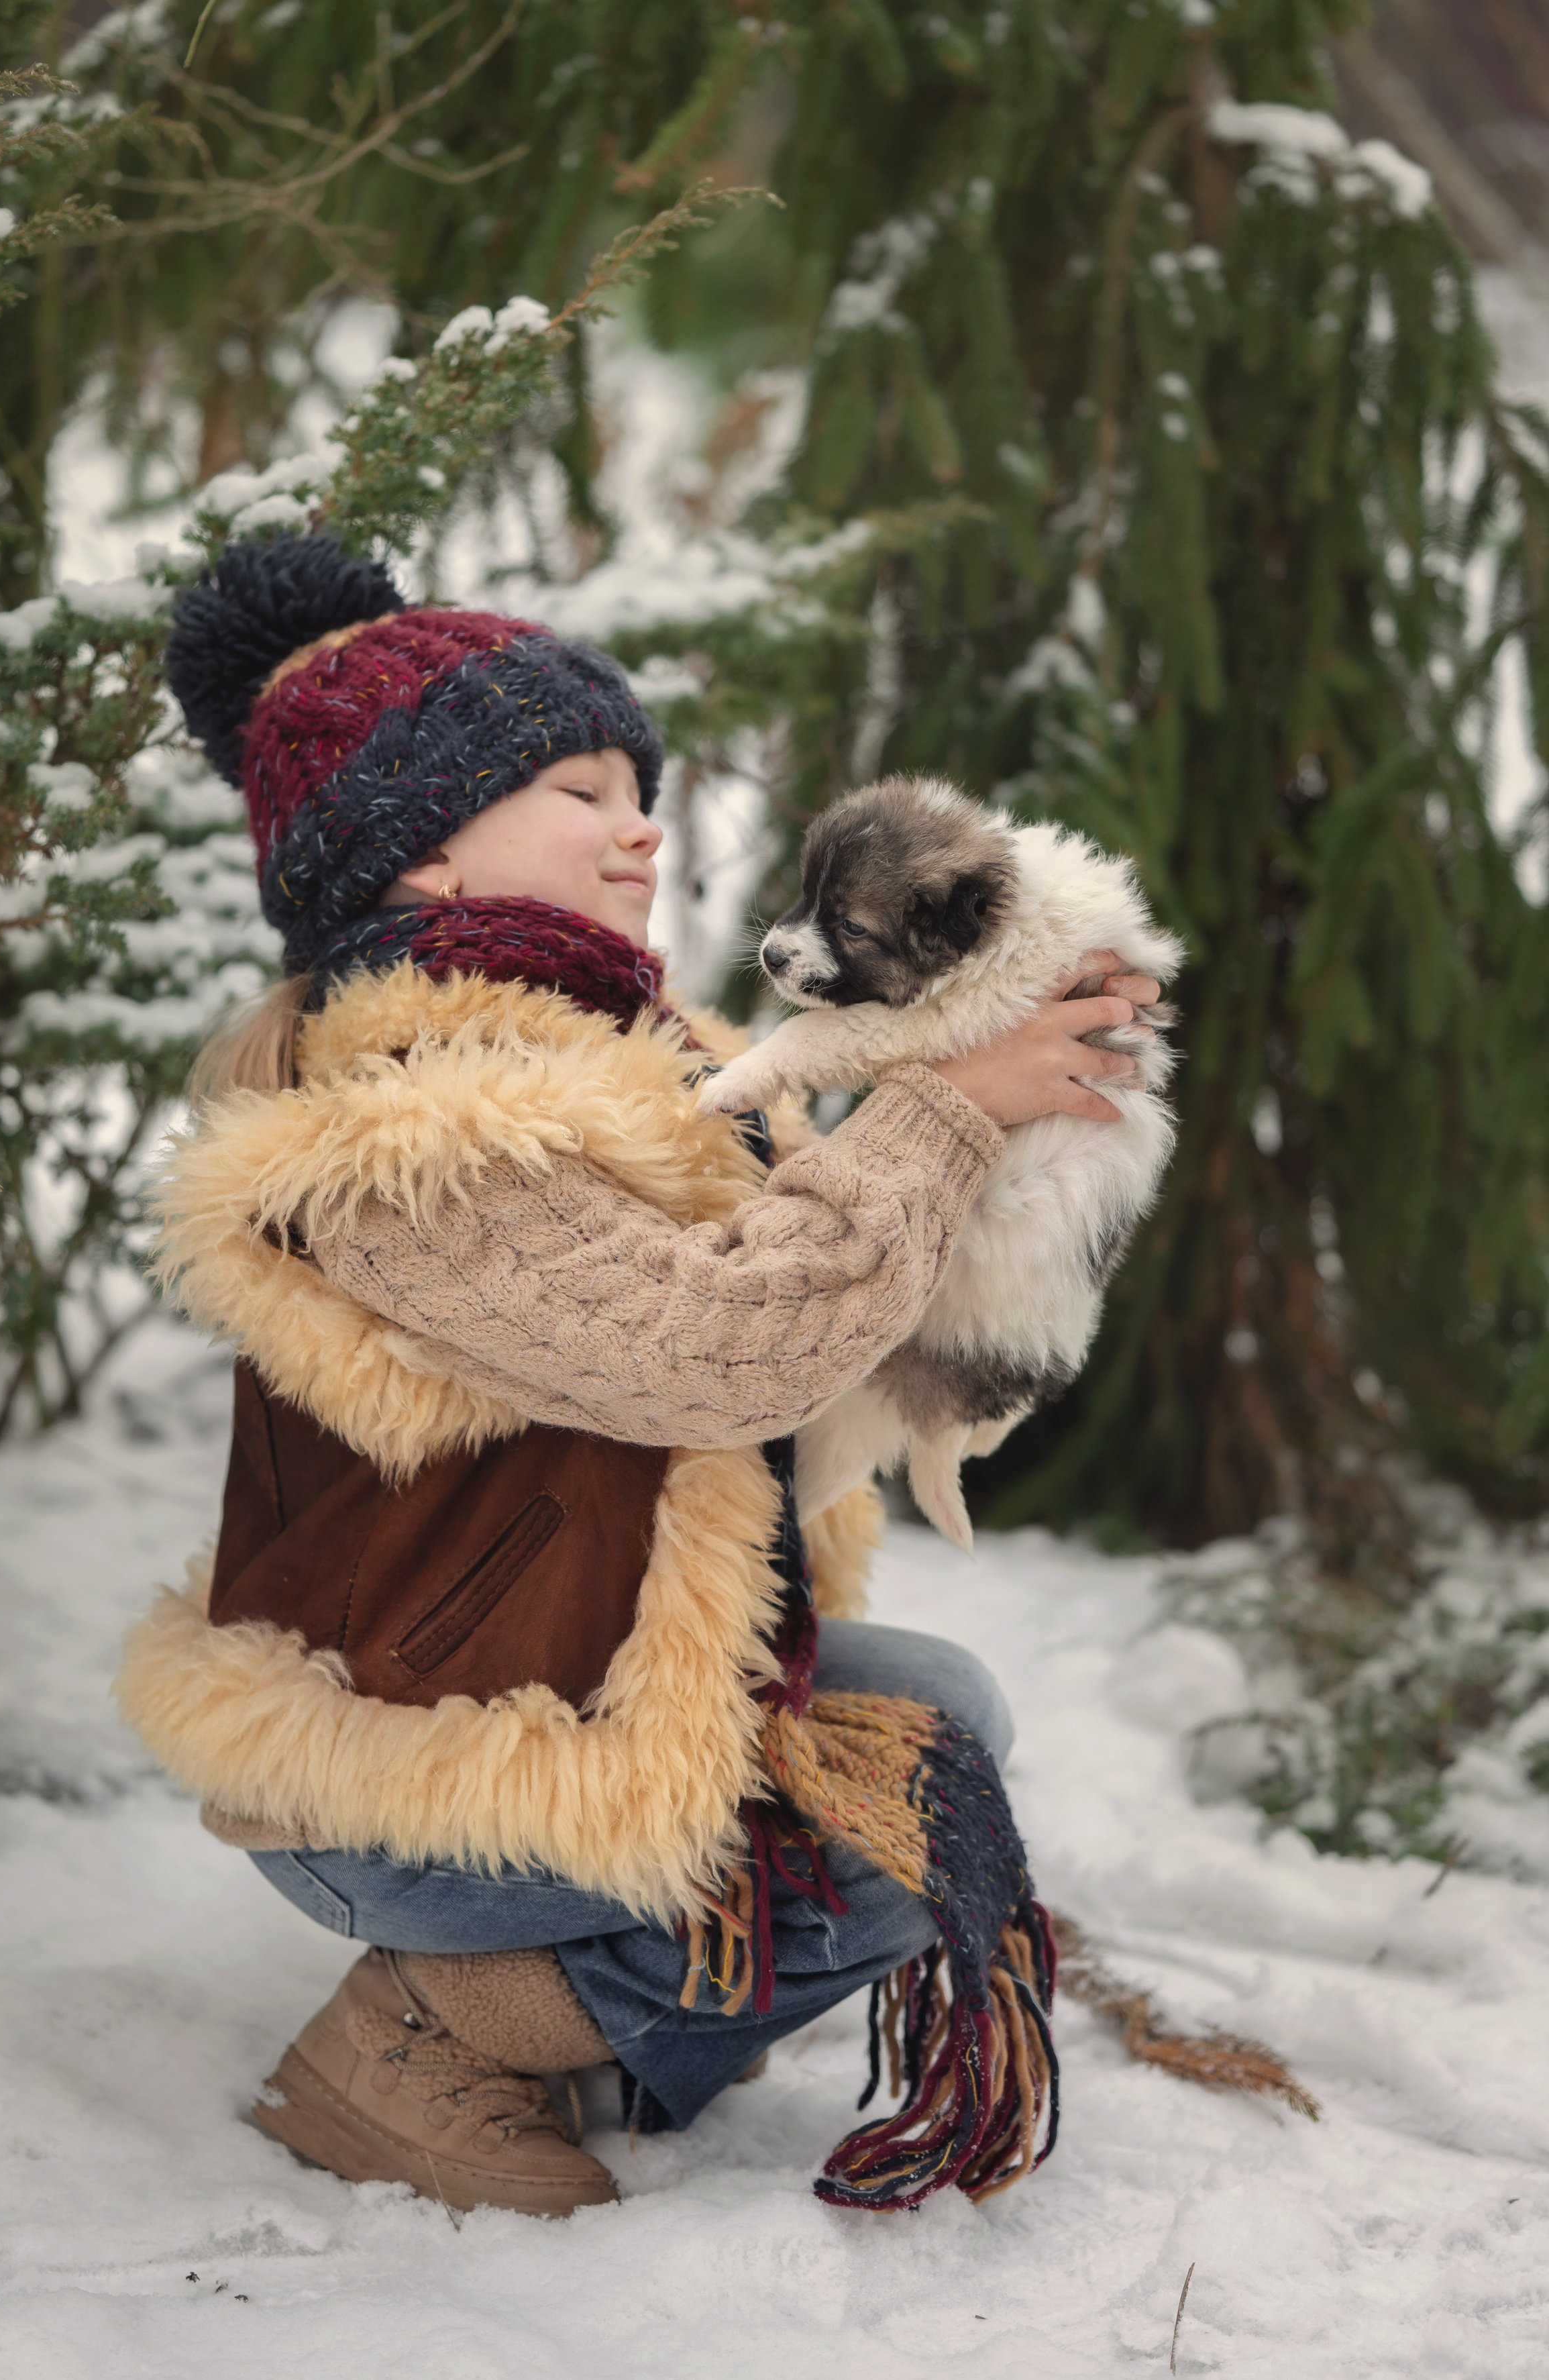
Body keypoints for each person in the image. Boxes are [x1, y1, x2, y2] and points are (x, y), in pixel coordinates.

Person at [117, 533, 1159, 2220]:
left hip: (578, 1679)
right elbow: (722, 1345)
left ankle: (600, 2016)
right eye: (580, 786)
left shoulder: (638, 1068)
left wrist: (1005, 1047)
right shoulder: (419, 1130)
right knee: (901, 1824)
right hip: (431, 1755)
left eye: (641, 786)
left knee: (939, 1725)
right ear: (424, 854)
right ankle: (423, 2031)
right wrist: (948, 1109)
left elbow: (843, 1285)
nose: (640, 825)